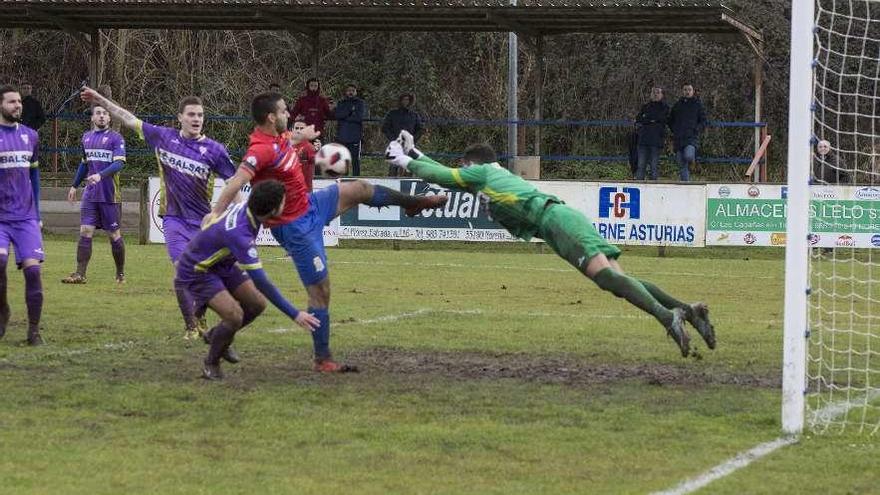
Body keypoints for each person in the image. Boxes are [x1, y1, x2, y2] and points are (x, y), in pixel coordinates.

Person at [386, 131, 717, 358]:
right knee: (620, 281)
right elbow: (446, 172)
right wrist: (414, 152)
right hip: (560, 219)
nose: (462, 172)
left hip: (555, 222)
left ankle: (666, 316)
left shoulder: (482, 172)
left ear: (472, 164)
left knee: (606, 279)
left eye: (464, 166)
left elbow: (446, 177)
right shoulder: (490, 174)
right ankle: (690, 311)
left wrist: (403, 161)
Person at [210, 92, 447, 372]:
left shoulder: (277, 139)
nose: (290, 115)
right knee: (321, 292)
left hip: (311, 205)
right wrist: (215, 214)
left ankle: (414, 204)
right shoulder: (258, 150)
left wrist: (302, 136)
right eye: (285, 111)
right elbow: (236, 181)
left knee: (359, 188)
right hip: (294, 227)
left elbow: (284, 142)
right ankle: (322, 358)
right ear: (271, 117)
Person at [80, 86, 237, 339]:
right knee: (182, 270)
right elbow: (128, 118)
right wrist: (100, 100)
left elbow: (236, 183)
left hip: (203, 223)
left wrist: (234, 215)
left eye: (200, 115)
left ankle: (200, 313)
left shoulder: (215, 150)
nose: (196, 119)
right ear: (180, 118)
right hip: (173, 219)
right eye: (191, 115)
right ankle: (191, 327)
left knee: (207, 274)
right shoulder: (164, 137)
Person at [176, 180, 320, 380]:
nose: (285, 205)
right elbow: (262, 282)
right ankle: (211, 363)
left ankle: (218, 336)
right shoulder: (240, 234)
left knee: (257, 304)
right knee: (234, 316)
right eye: (282, 203)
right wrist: (295, 314)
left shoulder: (250, 209)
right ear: (271, 209)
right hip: (197, 269)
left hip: (221, 263)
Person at [0, 85, 44, 345]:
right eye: (12, 102)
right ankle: (3, 309)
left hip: (26, 218)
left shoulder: (31, 136)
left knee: (33, 272)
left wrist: (37, 213)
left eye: (19, 102)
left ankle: (34, 330)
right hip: (1, 219)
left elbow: (35, 175)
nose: (18, 105)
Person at [63, 105, 127, 284]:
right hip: (90, 194)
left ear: (109, 118)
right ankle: (80, 274)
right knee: (85, 230)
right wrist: (74, 186)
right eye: (98, 113)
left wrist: (100, 175)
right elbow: (84, 164)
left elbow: (119, 164)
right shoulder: (86, 137)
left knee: (114, 235)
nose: (102, 116)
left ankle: (120, 273)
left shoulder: (116, 138)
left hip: (109, 195)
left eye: (105, 114)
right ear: (92, 117)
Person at [668, 84, 707, 181]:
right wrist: (675, 129)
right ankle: (685, 184)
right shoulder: (677, 105)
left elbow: (703, 121)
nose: (687, 91)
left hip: (691, 137)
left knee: (689, 156)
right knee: (681, 164)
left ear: (693, 91)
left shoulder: (697, 104)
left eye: (689, 89)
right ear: (682, 91)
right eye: (685, 89)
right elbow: (670, 120)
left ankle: (693, 162)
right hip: (678, 138)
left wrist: (696, 129)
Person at [382, 93, 423, 177]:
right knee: (393, 166)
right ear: (400, 101)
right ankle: (391, 184)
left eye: (407, 99)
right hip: (396, 144)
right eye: (404, 99)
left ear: (410, 101)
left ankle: (407, 186)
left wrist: (412, 140)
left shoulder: (414, 115)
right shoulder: (392, 113)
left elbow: (420, 129)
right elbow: (385, 128)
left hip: (409, 145)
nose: (405, 101)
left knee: (408, 166)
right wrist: (393, 139)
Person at [634, 86, 669, 181]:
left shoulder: (665, 107)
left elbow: (663, 119)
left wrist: (648, 119)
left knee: (654, 166)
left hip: (656, 140)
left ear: (661, 95)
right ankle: (639, 185)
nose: (655, 94)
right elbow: (639, 119)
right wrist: (652, 120)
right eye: (653, 92)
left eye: (658, 92)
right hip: (643, 139)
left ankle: (654, 187)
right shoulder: (645, 106)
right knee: (641, 165)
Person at [334, 84, 367, 176]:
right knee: (344, 159)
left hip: (355, 136)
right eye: (349, 90)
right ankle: (344, 179)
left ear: (356, 92)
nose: (351, 92)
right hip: (343, 136)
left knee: (355, 159)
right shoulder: (341, 103)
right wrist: (350, 111)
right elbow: (337, 115)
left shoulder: (360, 103)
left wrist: (345, 117)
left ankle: (356, 178)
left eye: (353, 90)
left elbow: (359, 117)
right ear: (346, 92)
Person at [292, 119, 319, 192]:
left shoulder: (309, 147)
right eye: (296, 128)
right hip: (289, 189)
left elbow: (316, 162)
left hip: (304, 190)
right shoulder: (287, 146)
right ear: (292, 129)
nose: (299, 130)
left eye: (301, 128)